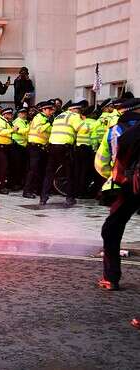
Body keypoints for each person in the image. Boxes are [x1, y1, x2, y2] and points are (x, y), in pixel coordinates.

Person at [98, 98, 140, 291]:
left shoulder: (116, 131)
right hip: (132, 182)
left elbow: (102, 162)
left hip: (127, 185)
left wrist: (115, 178)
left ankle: (111, 277)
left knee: (111, 229)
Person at [40, 100, 88, 207]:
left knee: (49, 172)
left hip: (52, 146)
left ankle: (43, 197)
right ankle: (70, 198)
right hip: (65, 147)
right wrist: (84, 121)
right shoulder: (74, 116)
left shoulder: (59, 116)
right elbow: (84, 130)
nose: (79, 112)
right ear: (74, 110)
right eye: (79, 110)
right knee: (69, 172)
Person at [23, 101, 55, 198]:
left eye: (51, 109)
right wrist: (48, 124)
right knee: (33, 170)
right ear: (43, 109)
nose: (51, 111)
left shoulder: (45, 118)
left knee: (39, 169)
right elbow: (39, 130)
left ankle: (38, 189)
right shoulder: (39, 118)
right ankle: (27, 191)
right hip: (35, 147)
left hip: (41, 147)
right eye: (49, 109)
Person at [0, 107, 15, 194]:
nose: (11, 115)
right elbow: (0, 132)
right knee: (3, 167)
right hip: (0, 146)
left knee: (4, 167)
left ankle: (2, 185)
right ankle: (0, 187)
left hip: (5, 146)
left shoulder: (7, 122)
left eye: (11, 114)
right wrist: (12, 130)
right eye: (9, 114)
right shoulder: (1, 121)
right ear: (4, 114)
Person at [11, 108, 30, 191]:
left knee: (22, 166)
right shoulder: (17, 121)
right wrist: (30, 128)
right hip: (17, 146)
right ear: (18, 114)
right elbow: (20, 131)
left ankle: (19, 183)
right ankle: (15, 184)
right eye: (22, 113)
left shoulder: (25, 121)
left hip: (23, 146)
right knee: (16, 166)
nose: (24, 114)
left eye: (25, 113)